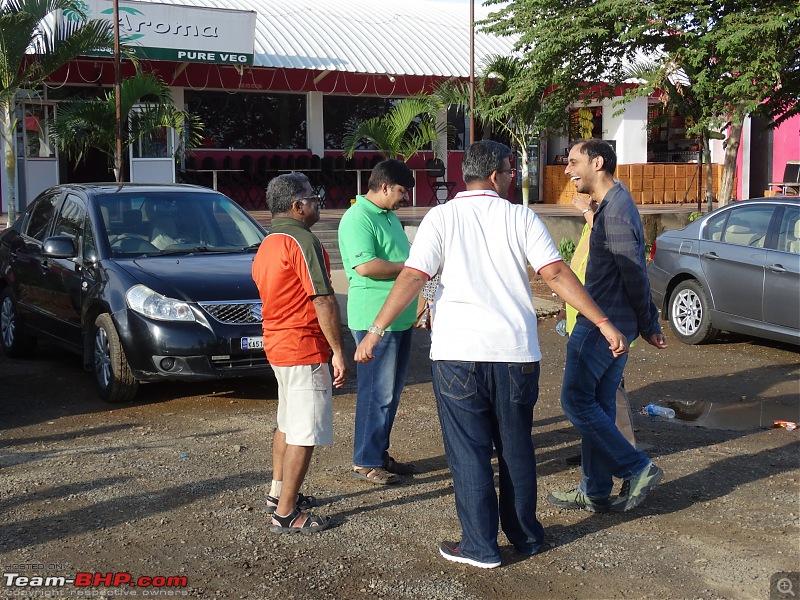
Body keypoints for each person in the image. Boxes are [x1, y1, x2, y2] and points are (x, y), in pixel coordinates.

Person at [354, 140, 628, 569]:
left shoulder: (440, 218)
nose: (513, 176)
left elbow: (412, 276)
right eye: (511, 170)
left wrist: (374, 331)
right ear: (499, 176)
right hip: (515, 352)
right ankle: (526, 537)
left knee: (469, 451)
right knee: (516, 447)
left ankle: (480, 546)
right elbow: (555, 273)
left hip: (458, 353)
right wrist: (604, 322)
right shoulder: (520, 216)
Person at [547, 140, 667, 515]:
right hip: (613, 322)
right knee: (597, 403)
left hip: (603, 325)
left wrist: (649, 321)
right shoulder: (613, 205)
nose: (567, 170)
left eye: (573, 162)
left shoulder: (615, 212)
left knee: (575, 400)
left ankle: (637, 468)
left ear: (597, 162)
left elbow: (634, 272)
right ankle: (595, 490)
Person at [251, 173, 349, 534]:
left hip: (277, 343)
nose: (317, 202)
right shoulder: (302, 240)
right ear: (297, 205)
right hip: (303, 345)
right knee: (304, 432)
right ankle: (286, 513)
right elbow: (322, 298)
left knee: (288, 423)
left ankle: (278, 495)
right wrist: (338, 350)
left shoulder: (268, 242)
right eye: (312, 197)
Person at [338, 160, 417, 485]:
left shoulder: (388, 217)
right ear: (384, 187)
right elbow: (366, 267)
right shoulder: (358, 217)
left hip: (398, 318)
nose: (405, 199)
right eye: (401, 191)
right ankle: (366, 460)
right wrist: (410, 267)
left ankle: (378, 453)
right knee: (376, 392)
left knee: (391, 392)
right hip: (373, 318)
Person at [556, 194, 637, 465]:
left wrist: (589, 215)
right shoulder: (593, 223)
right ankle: (600, 451)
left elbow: (622, 267)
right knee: (590, 397)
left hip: (606, 326)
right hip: (583, 320)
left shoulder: (610, 221)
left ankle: (625, 452)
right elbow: (580, 269)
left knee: (610, 394)